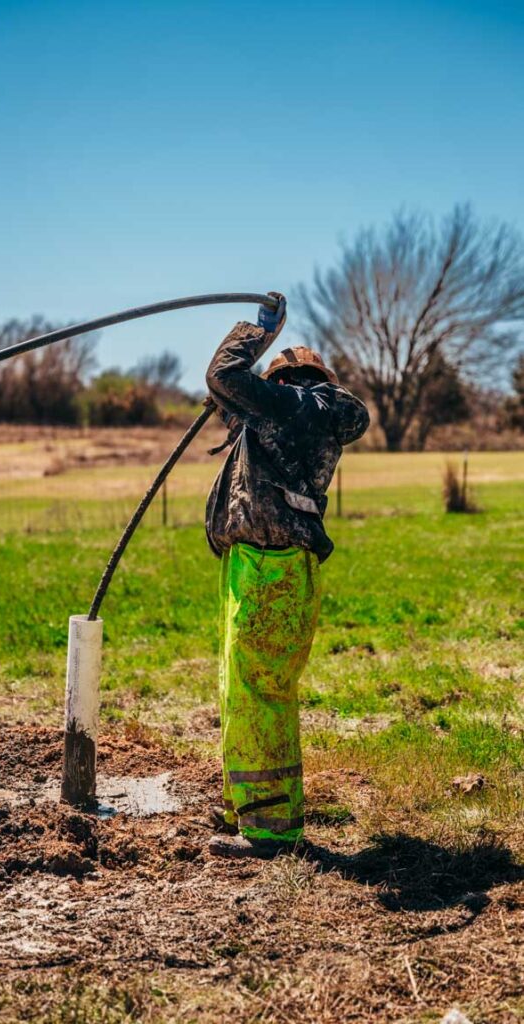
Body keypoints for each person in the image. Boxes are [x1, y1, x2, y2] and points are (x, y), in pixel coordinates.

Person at [204, 292, 369, 858]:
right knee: (241, 690)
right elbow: (225, 390)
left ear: (299, 381)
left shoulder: (306, 410)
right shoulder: (281, 416)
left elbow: (225, 373)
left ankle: (272, 831)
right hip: (258, 567)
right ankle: (246, 808)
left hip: (272, 570)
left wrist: (258, 331)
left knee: (260, 692)